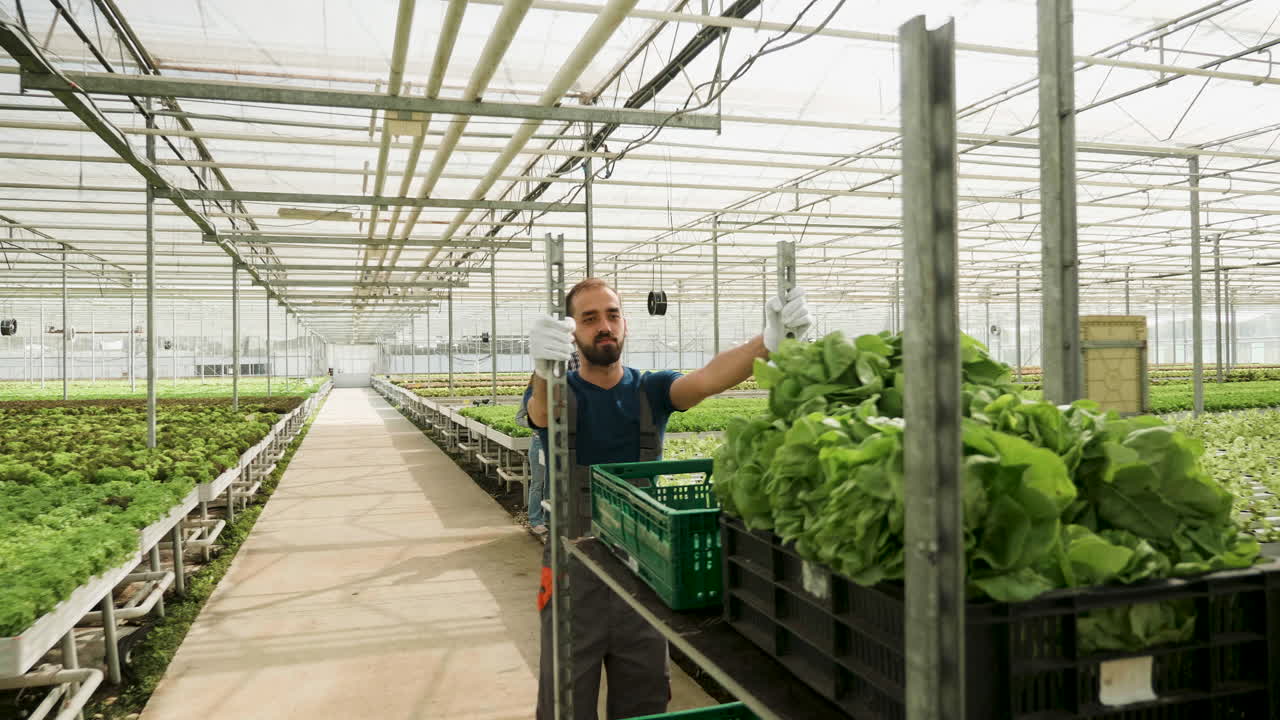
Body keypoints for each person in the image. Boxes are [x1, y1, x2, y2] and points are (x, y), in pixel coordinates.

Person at [525, 277, 811, 720]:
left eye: (612, 315)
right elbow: (540, 411)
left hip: (645, 570)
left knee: (645, 700)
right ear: (573, 333)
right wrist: (543, 369)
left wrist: (768, 342)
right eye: (590, 318)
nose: (604, 326)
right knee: (566, 700)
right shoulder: (559, 390)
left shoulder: (650, 389)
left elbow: (708, 379)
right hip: (571, 576)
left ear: (626, 325)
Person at [517, 351, 579, 536]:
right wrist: (535, 424)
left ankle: (548, 519)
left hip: (558, 443)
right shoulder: (531, 396)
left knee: (552, 484)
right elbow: (519, 418)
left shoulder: (561, 394)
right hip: (538, 443)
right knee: (538, 482)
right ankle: (535, 520)